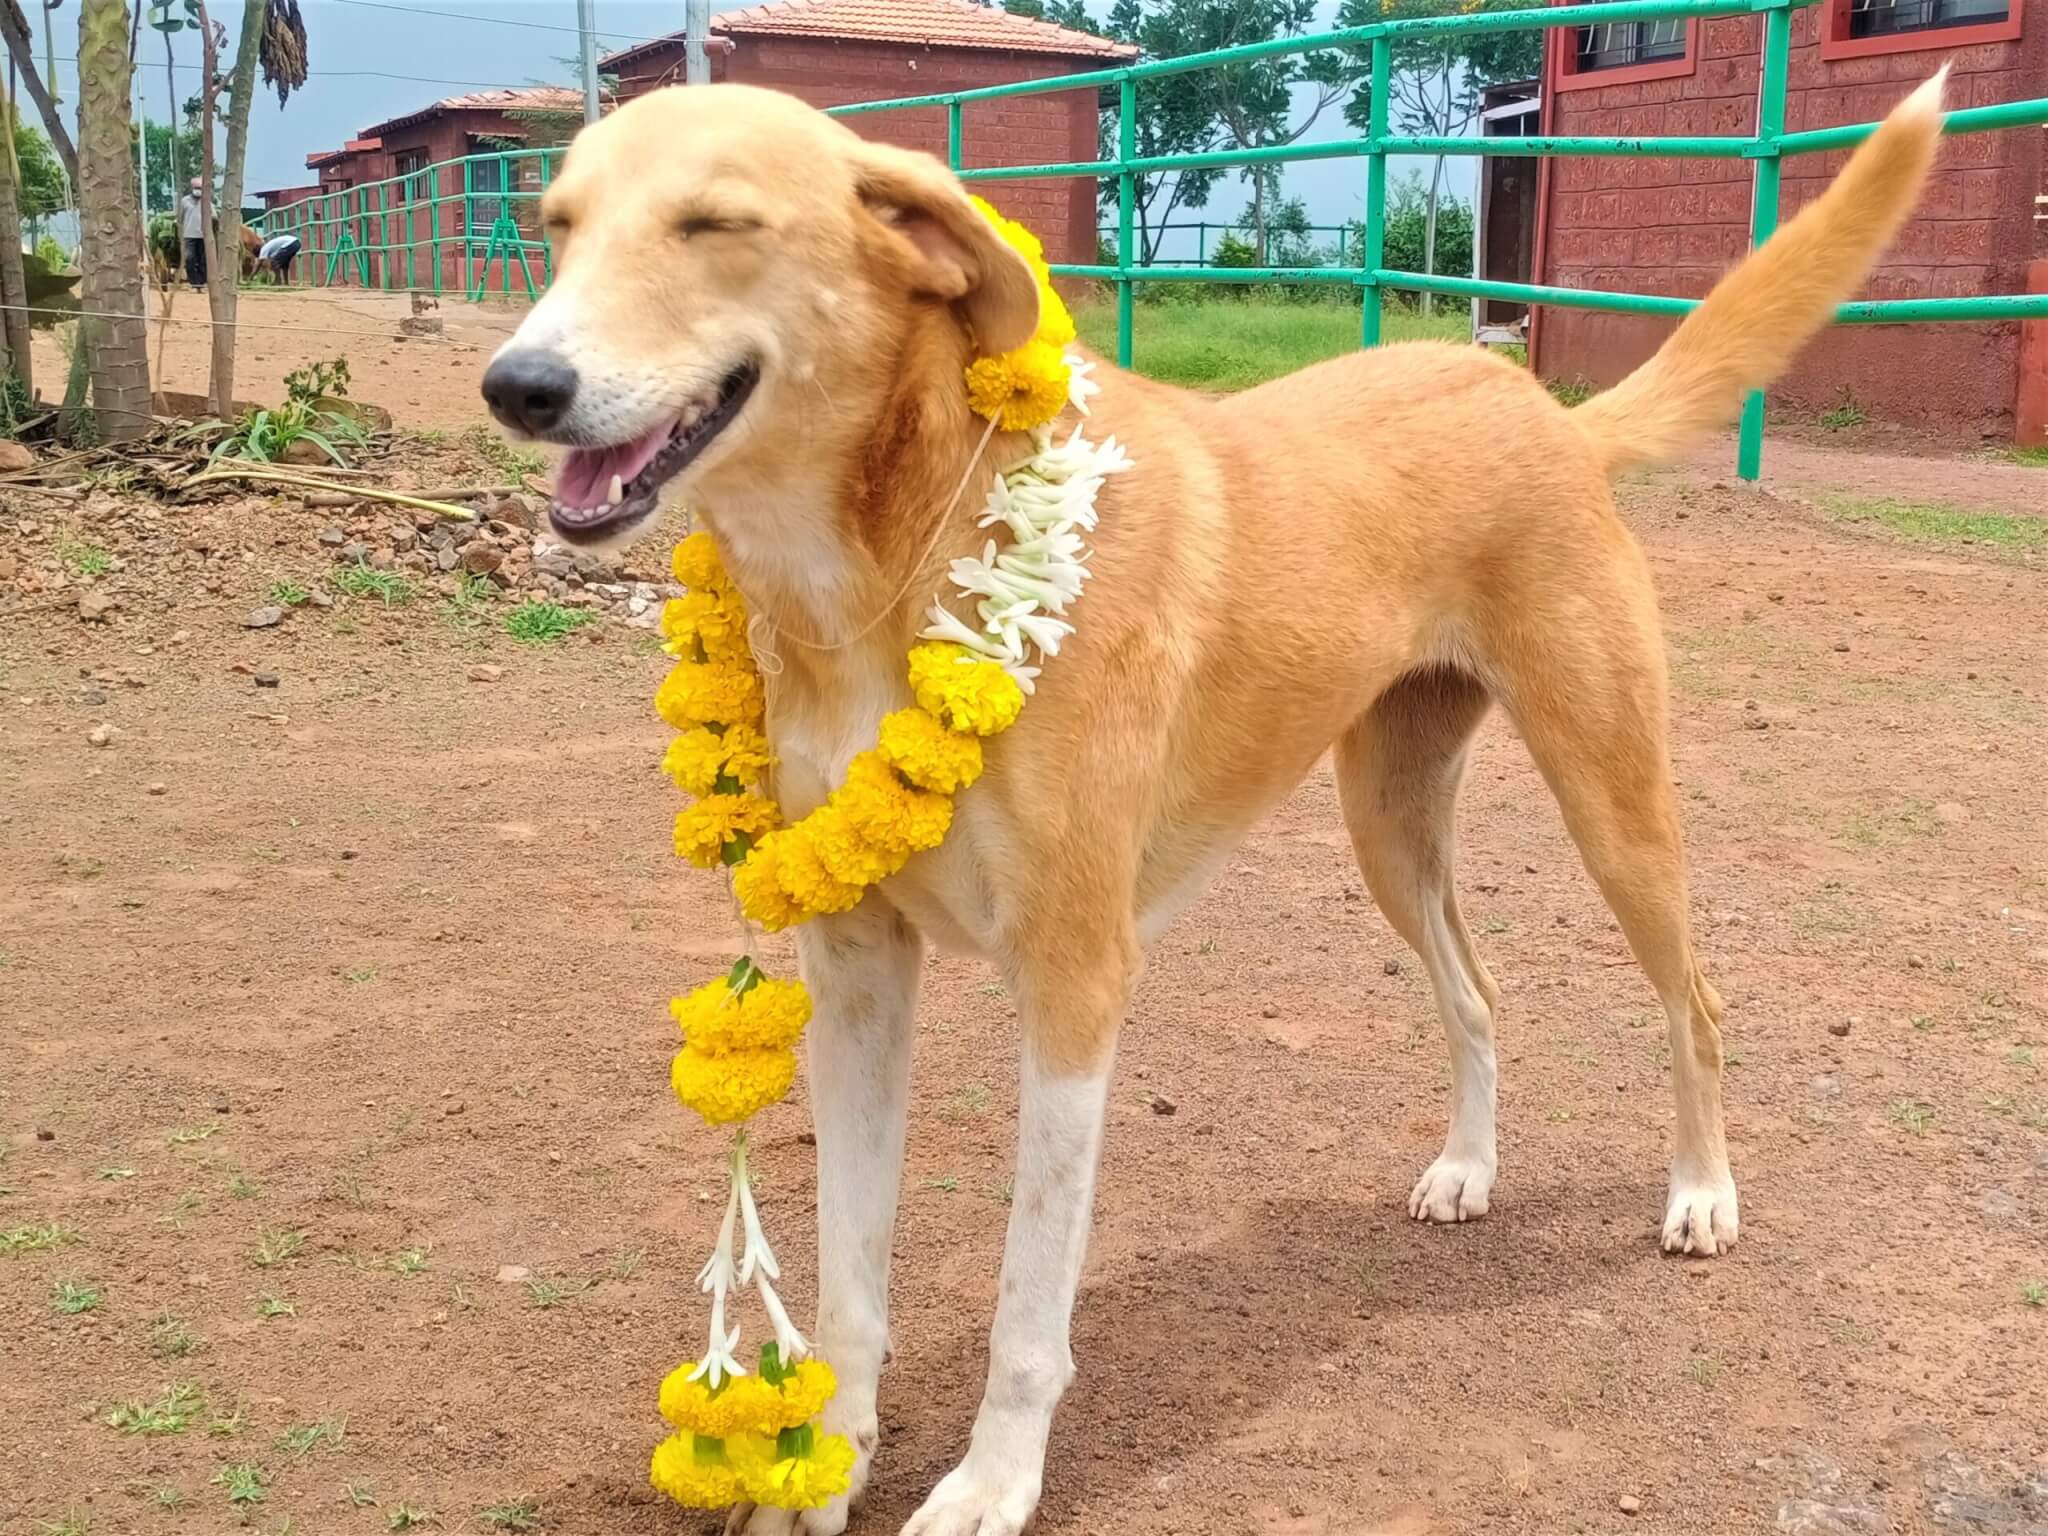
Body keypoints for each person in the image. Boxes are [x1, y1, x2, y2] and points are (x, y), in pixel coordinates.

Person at [179, 178, 207, 289]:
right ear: (192, 188)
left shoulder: (206, 201)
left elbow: (213, 216)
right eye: (196, 188)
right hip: (189, 235)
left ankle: (202, 282)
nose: (198, 190)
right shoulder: (185, 201)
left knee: (203, 260)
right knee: (190, 258)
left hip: (203, 236)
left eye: (200, 188)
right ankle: (194, 283)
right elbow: (180, 218)